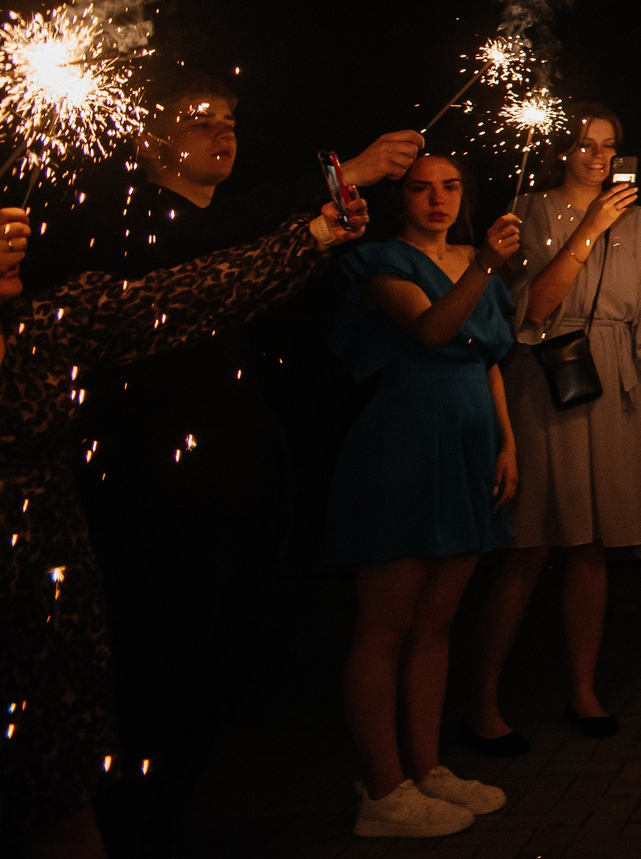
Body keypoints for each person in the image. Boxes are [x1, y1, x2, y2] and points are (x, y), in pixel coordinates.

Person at [38, 77, 424, 856]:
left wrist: (323, 231)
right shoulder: (138, 224)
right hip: (163, 492)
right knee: (158, 672)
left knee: (222, 668)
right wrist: (341, 175)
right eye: (200, 121)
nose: (223, 133)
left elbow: (258, 263)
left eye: (230, 121)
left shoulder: (234, 228)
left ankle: (173, 813)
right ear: (149, 143)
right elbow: (208, 254)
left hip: (241, 479)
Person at [2, 195, 363, 859]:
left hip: (50, 616)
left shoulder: (44, 322)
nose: (13, 232)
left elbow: (195, 291)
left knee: (65, 807)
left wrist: (313, 233)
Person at [463, 103, 641, 750]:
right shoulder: (530, 206)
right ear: (563, 150)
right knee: (530, 544)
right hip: (547, 379)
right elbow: (531, 309)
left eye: (608, 146)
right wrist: (590, 227)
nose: (597, 156)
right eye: (584, 143)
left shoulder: (640, 222)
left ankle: (582, 690)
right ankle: (480, 699)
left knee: (591, 543)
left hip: (609, 380)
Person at [326, 155, 522, 838]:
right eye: (420, 186)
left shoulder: (476, 258)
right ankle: (383, 787)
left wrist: (507, 442)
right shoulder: (380, 261)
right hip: (406, 448)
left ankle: (427, 766)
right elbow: (436, 329)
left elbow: (489, 357)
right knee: (386, 625)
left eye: (450, 186)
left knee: (437, 622)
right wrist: (485, 267)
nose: (437, 198)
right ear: (398, 196)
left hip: (467, 450)